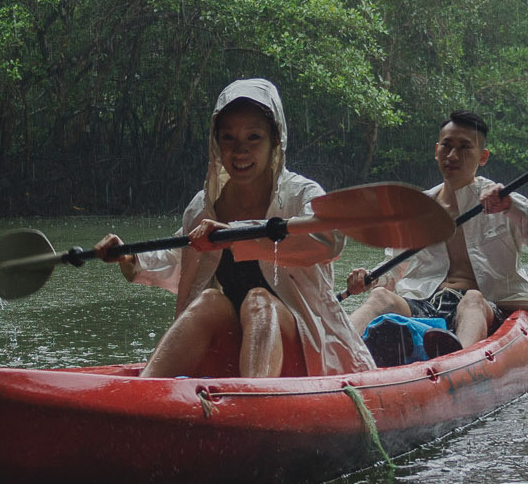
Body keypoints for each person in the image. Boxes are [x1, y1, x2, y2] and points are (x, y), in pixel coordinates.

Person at [93, 78, 374, 379]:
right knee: (210, 300)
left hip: (303, 348)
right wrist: (129, 256)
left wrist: (238, 234)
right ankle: (145, 393)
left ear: (275, 140)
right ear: (216, 142)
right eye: (228, 138)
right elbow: (180, 258)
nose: (240, 151)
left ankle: (254, 405)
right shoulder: (203, 207)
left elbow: (328, 240)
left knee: (258, 300)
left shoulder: (303, 195)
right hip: (235, 342)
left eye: (253, 137)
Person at [345, 110, 528, 349]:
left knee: (472, 299)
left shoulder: (503, 200)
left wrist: (512, 206)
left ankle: (457, 362)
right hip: (426, 303)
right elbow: (395, 265)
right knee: (380, 297)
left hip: (489, 307)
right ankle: (336, 348)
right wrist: (368, 279)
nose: (453, 155)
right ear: (436, 150)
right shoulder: (418, 208)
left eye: (464, 147)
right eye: (447, 146)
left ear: (483, 157)